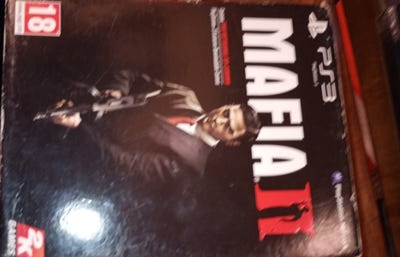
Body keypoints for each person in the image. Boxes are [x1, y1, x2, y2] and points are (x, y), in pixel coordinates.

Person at [45, 69, 262, 189]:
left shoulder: (192, 165)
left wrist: (79, 128)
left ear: (231, 142)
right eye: (226, 113)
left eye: (229, 128)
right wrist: (116, 92)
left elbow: (126, 163)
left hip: (76, 151)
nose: (219, 120)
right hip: (73, 98)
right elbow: (131, 76)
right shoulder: (185, 95)